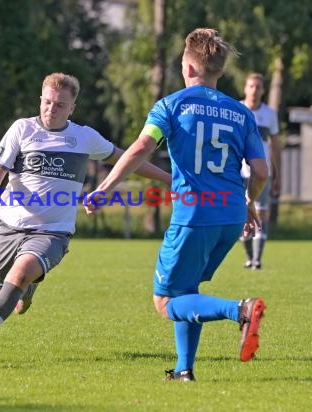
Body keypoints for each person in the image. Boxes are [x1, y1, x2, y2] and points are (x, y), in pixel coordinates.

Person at [84, 28, 268, 381]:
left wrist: (106, 187)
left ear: (187, 67)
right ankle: (184, 369)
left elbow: (140, 148)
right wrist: (249, 201)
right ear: (220, 71)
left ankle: (240, 310)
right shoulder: (241, 114)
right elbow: (260, 170)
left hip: (194, 215)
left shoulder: (171, 105)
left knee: (165, 302)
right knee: (188, 290)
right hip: (230, 215)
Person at [0, 72, 171, 348]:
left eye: (60, 105)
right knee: (5, 301)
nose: (52, 109)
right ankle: (28, 288)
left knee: (20, 273)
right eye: (48, 102)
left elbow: (129, 159)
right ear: (41, 99)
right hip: (9, 227)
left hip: (52, 232)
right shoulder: (22, 129)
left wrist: (171, 179)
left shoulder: (84, 137)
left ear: (72, 108)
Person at [240, 73, 281, 270]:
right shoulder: (236, 109)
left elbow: (275, 146)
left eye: (258, 86)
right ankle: (249, 257)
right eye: (251, 86)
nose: (254, 90)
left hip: (262, 173)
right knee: (241, 216)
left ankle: (257, 259)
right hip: (239, 173)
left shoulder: (270, 114)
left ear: (263, 90)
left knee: (261, 215)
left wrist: (278, 175)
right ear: (245, 88)